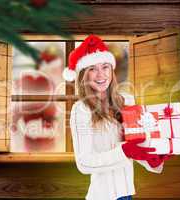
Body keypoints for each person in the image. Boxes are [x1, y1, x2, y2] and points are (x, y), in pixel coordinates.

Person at [62, 35, 172, 200]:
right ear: (83, 75)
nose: (100, 75)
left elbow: (135, 144)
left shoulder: (126, 100)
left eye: (105, 67)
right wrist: (125, 150)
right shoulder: (82, 110)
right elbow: (84, 163)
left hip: (127, 194)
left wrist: (152, 158)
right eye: (92, 68)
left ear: (111, 70)